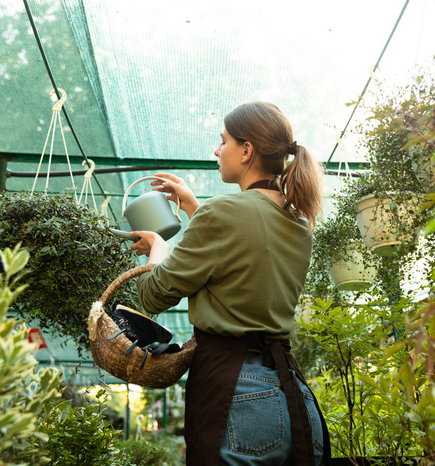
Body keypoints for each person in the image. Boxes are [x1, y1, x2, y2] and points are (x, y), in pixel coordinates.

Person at [130, 101, 331, 465]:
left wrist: (158, 249)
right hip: (293, 397)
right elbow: (243, 251)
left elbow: (153, 295)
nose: (216, 150)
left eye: (223, 141)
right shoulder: (300, 224)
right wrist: (195, 209)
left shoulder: (221, 214)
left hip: (237, 396)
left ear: (246, 150)